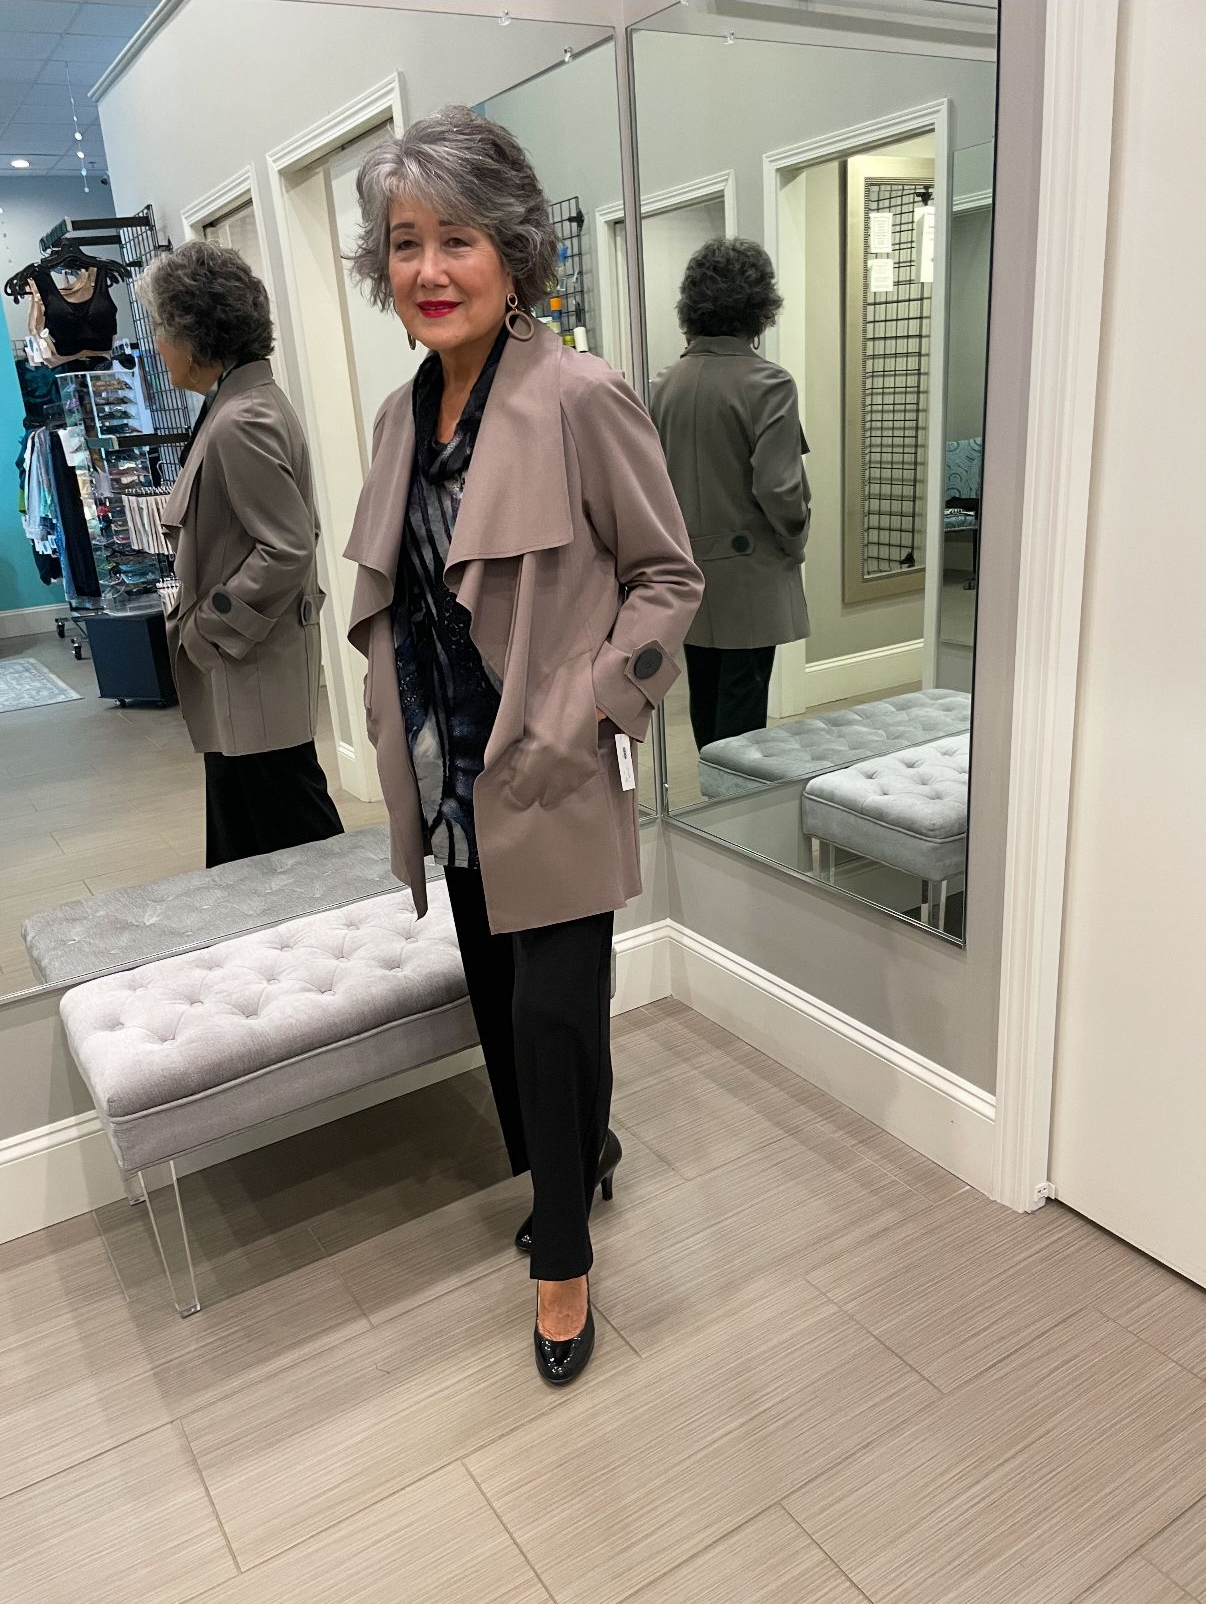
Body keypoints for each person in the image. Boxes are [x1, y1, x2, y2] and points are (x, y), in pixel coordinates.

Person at [345, 106, 702, 1385]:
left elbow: (669, 576)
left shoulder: (582, 396)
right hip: (452, 772)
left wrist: (598, 702)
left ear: (513, 250)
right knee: (505, 1006)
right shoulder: (401, 418)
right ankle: (580, 1157)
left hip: (551, 765)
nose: (429, 270)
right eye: (402, 244)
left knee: (555, 1009)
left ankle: (563, 1258)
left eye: (457, 239)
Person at [139, 240, 343, 867]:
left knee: (297, 845)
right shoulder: (234, 405)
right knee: (251, 848)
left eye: (160, 329)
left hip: (249, 664)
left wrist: (207, 628)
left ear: (195, 334)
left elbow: (287, 547)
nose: (156, 345)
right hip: (247, 668)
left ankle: (362, 949)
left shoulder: (239, 419)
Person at [650, 237, 811, 750]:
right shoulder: (768, 384)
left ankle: (709, 818)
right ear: (759, 307)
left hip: (688, 572)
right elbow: (779, 489)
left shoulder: (664, 386)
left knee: (707, 704)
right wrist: (795, 541)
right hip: (751, 575)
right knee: (744, 716)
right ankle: (739, 822)